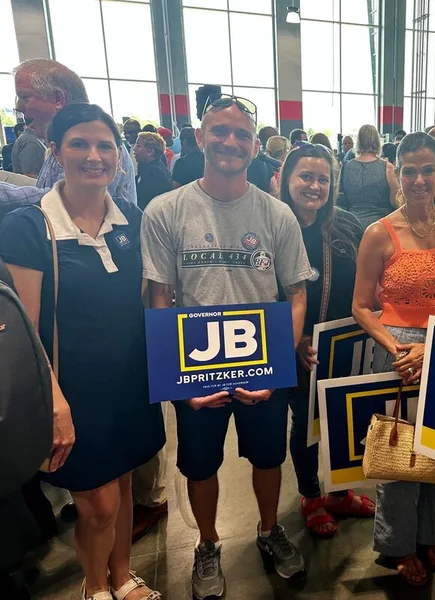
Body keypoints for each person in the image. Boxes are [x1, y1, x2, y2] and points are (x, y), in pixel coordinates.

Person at [141, 95, 311, 598]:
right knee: (200, 465)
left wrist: (277, 367)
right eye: (220, 131)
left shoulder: (277, 214)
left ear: (255, 146)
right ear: (200, 137)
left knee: (268, 459)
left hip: (261, 362)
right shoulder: (166, 210)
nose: (230, 142)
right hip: (196, 368)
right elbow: (159, 298)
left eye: (242, 135)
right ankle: (208, 543)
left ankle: (268, 530)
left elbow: (296, 294)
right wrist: (178, 382)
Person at [0, 103, 165, 600]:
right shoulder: (30, 228)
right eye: (79, 144)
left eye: (104, 146)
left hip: (130, 385)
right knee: (97, 507)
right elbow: (27, 331)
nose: (94, 156)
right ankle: (95, 587)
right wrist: (54, 401)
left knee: (124, 487)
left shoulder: (132, 220)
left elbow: (147, 304)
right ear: (56, 151)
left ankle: (123, 575)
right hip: (73, 393)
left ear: (119, 155)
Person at [352, 132, 435, 586]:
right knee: (398, 453)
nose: (419, 179)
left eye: (428, 170)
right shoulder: (378, 233)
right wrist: (396, 349)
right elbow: (361, 306)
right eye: (410, 171)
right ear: (398, 176)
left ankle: (429, 534)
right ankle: (398, 545)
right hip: (397, 351)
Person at [276, 144, 376, 538]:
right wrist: (295, 337)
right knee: (305, 423)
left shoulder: (348, 224)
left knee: (342, 421)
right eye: (306, 176)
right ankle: (311, 496)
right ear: (287, 179)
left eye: (323, 179)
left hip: (347, 343)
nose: (315, 186)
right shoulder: (274, 224)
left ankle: (338, 492)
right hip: (298, 348)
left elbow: (371, 278)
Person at [13, 59, 137, 207]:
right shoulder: (61, 142)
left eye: (25, 97)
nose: (18, 106)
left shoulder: (89, 144)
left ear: (58, 99)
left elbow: (76, 202)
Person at [338, 124, 399, 227]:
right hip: (381, 226)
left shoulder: (346, 167)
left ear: (358, 142)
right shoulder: (388, 168)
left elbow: (339, 199)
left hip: (352, 226)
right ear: (377, 142)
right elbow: (396, 202)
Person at [132, 132, 173, 211]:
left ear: (150, 151)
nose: (134, 149)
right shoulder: (147, 167)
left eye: (138, 146)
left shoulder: (155, 173)